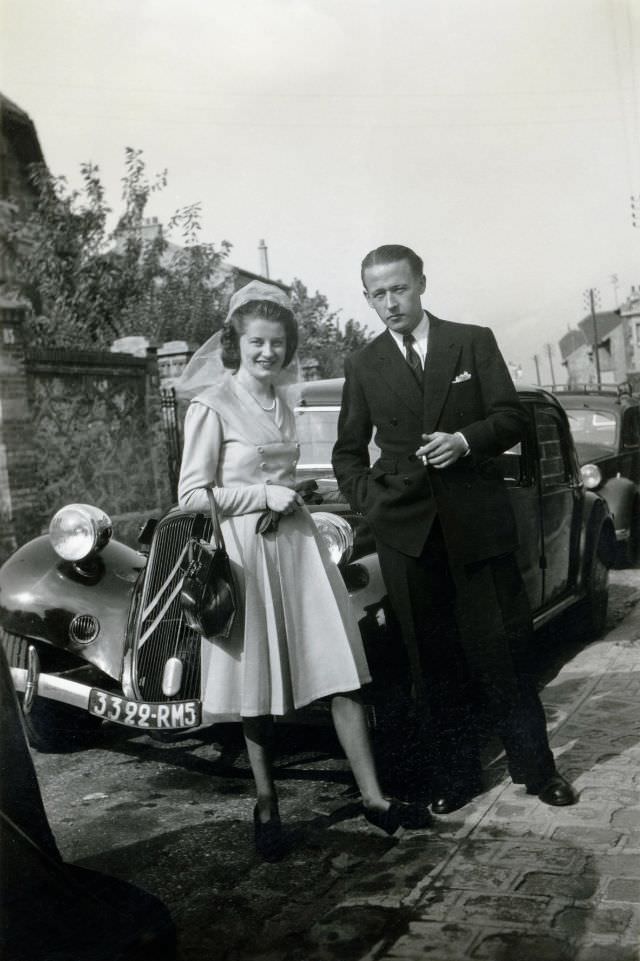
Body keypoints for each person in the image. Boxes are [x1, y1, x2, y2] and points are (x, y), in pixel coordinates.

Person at [177, 280, 431, 861]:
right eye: (257, 343)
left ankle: (374, 798)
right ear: (236, 345)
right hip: (246, 555)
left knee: (340, 670)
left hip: (298, 549)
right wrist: (262, 496)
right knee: (258, 686)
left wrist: (292, 490)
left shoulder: (284, 403)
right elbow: (192, 496)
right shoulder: (210, 406)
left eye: (277, 344)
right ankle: (266, 802)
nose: (268, 353)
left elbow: (275, 479)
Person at [332, 244, 577, 814]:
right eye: (378, 294)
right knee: (431, 662)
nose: (390, 303)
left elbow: (513, 418)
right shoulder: (363, 365)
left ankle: (538, 772)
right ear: (367, 299)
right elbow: (347, 454)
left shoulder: (471, 339)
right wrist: (373, 502)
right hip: (407, 536)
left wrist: (466, 441)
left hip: (477, 526)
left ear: (421, 284)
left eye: (399, 289)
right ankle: (455, 775)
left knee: (506, 653)